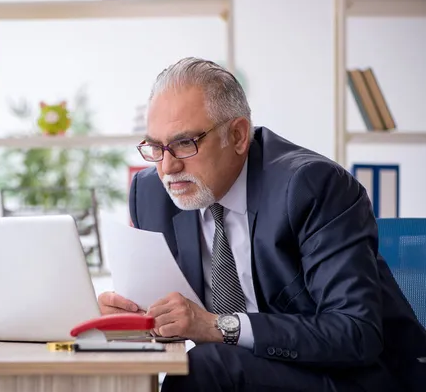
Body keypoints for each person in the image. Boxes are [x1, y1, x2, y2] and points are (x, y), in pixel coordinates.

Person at [97, 57, 426, 391]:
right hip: (250, 372)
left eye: (185, 143)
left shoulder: (312, 186)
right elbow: (166, 307)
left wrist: (219, 327)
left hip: (348, 377)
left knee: (208, 366)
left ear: (238, 135)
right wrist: (134, 317)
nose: (167, 167)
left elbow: (355, 332)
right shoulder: (151, 193)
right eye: (155, 146)